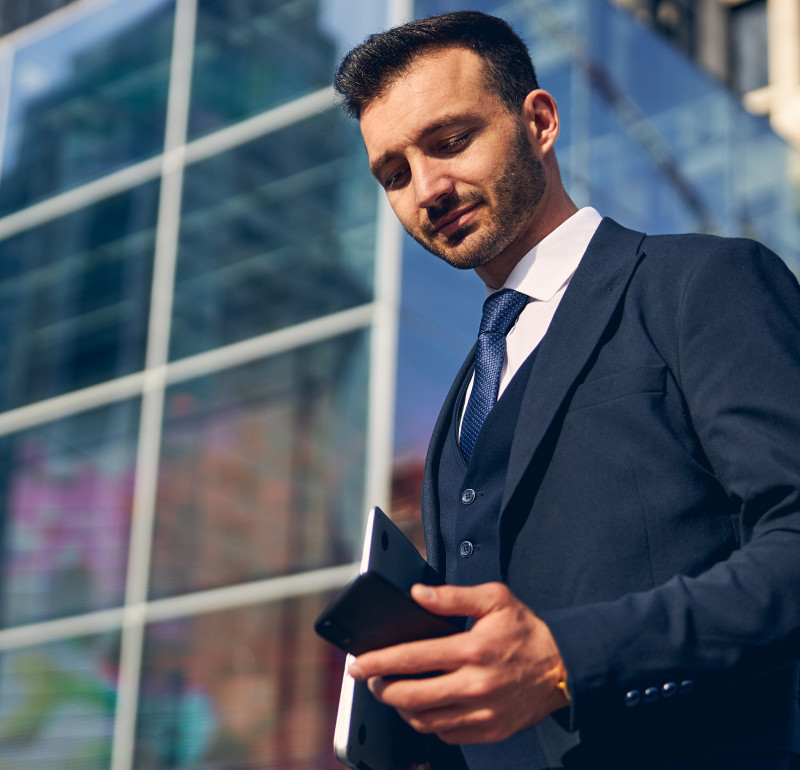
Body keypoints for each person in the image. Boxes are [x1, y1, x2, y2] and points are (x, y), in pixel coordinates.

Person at [334, 11, 800, 770]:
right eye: (394, 173)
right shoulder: (463, 400)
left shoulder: (701, 285)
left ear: (540, 122)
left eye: (450, 141)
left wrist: (565, 657)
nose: (427, 188)